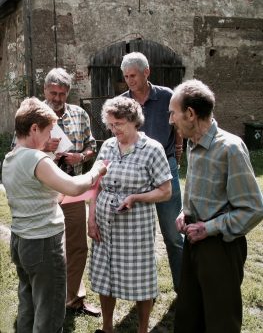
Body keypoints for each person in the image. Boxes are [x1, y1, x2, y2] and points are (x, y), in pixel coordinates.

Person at [2, 97, 107, 333]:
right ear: (34, 128)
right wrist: (97, 170)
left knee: (28, 305)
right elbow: (72, 186)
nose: (51, 138)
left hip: (21, 241)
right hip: (43, 244)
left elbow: (47, 195)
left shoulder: (10, 159)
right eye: (49, 131)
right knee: (49, 313)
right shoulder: (36, 159)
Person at [168, 79, 263, 333]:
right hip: (193, 241)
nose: (170, 120)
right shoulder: (192, 143)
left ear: (190, 114)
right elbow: (200, 191)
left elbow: (253, 208)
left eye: (173, 112)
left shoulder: (230, 148)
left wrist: (209, 228)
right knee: (189, 314)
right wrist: (183, 212)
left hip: (221, 248)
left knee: (221, 321)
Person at [88, 96, 172, 333]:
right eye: (111, 125)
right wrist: (91, 217)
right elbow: (97, 184)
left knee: (142, 278)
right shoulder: (107, 146)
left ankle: (142, 329)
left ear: (134, 121)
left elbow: (166, 191)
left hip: (136, 227)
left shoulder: (152, 149)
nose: (114, 130)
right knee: (106, 277)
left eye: (119, 124)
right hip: (105, 225)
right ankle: (107, 328)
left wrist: (135, 197)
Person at [120, 52, 183, 291]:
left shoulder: (167, 96)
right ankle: (143, 291)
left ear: (147, 72)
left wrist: (178, 148)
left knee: (174, 233)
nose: (129, 81)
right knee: (139, 238)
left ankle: (183, 288)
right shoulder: (124, 103)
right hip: (136, 173)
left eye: (133, 75)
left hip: (166, 169)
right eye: (126, 76)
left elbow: (177, 125)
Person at [43, 68, 101, 316]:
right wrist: (45, 148)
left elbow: (91, 145)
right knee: (47, 248)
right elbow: (18, 149)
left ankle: (75, 299)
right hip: (43, 191)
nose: (57, 98)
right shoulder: (33, 114)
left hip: (73, 187)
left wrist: (83, 155)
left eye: (62, 93)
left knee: (77, 245)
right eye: (53, 93)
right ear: (45, 90)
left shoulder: (79, 114)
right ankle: (48, 301)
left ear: (68, 92)